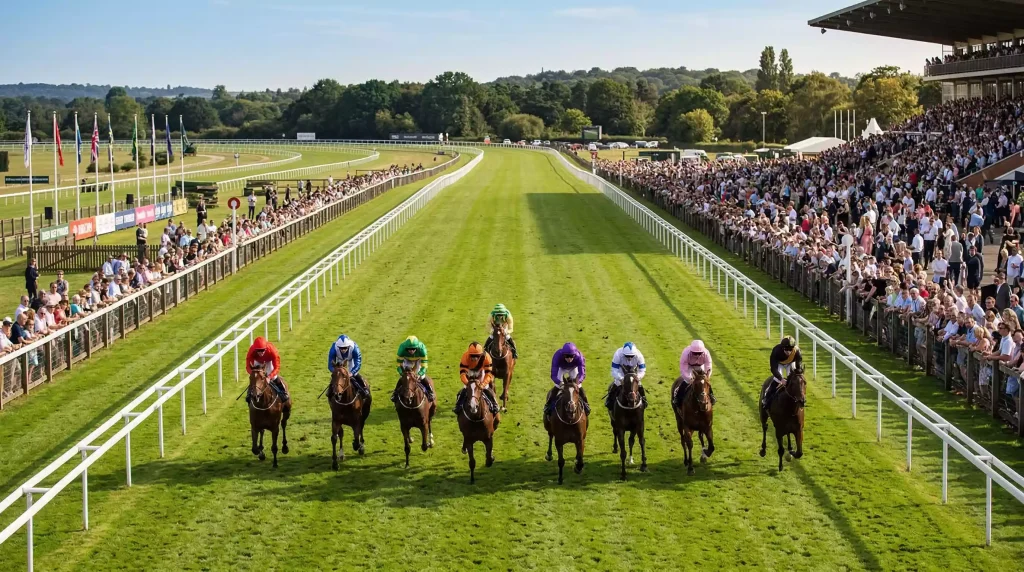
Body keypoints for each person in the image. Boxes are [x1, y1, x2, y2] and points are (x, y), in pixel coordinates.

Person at [454, 341, 498, 415]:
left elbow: (489, 374)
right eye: (472, 356)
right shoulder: (465, 356)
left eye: (477, 356)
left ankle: (494, 404)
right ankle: (458, 405)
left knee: (486, 388)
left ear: (481, 354)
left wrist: (483, 384)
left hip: (481, 371)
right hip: (469, 371)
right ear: (469, 354)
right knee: (465, 389)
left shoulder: (487, 357)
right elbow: (462, 374)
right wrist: (467, 383)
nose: (474, 358)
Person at [545, 342, 589, 415]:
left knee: (579, 386)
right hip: (561, 368)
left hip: (573, 368)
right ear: (563, 354)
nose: (569, 359)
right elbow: (553, 375)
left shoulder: (580, 356)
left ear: (575, 355)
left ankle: (586, 404)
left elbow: (582, 374)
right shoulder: (557, 356)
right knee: (557, 386)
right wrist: (560, 383)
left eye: (571, 356)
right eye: (567, 356)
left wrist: (577, 382)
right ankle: (548, 405)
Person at [245, 336, 289, 402]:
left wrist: (269, 377)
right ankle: (249, 394)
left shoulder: (272, 351)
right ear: (255, 349)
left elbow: (277, 367)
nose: (261, 352)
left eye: (262, 350)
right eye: (258, 351)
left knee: (274, 377)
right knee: (255, 378)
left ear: (266, 349)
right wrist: (253, 373)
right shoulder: (252, 350)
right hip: (257, 361)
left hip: (268, 361)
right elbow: (248, 366)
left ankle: (283, 393)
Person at [763, 336, 804, 407]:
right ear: (782, 348)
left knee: (795, 380)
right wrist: (781, 379)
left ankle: (800, 398)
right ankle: (767, 398)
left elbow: (798, 367)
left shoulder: (797, 351)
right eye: (786, 349)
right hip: (779, 364)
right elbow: (773, 369)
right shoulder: (776, 350)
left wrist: (799, 375)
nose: (788, 352)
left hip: (791, 363)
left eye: (790, 349)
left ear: (793, 348)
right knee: (777, 380)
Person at [606, 342, 647, 410]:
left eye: (632, 356)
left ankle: (644, 400)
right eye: (627, 356)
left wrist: (638, 377)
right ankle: (610, 401)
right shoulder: (618, 354)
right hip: (621, 372)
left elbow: (642, 370)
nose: (630, 358)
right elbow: (614, 370)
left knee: (639, 385)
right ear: (623, 353)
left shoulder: (639, 355)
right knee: (617, 383)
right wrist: (621, 378)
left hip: (634, 374)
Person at [392, 336, 434, 402]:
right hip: (406, 359)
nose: (411, 351)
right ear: (406, 348)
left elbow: (424, 366)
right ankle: (395, 393)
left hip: (418, 360)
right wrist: (402, 373)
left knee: (422, 377)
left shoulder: (422, 349)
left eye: (413, 349)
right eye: (409, 349)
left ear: (417, 348)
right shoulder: (401, 349)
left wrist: (420, 374)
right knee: (404, 377)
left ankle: (430, 392)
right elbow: (398, 365)